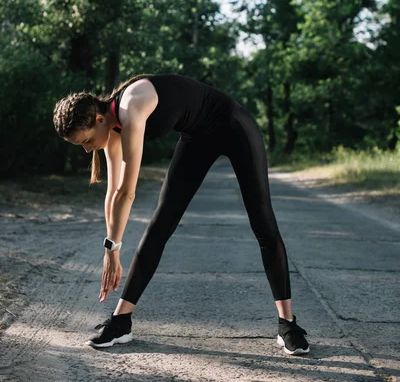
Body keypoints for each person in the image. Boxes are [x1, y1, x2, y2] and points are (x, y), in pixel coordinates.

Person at [53, 72, 309, 355]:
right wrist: (110, 247)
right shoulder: (111, 130)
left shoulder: (130, 109)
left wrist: (114, 249)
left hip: (234, 126)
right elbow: (112, 194)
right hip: (197, 138)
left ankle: (288, 324)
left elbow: (128, 193)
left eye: (85, 141)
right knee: (161, 223)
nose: (88, 149)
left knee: (263, 222)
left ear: (98, 119)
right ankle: (121, 321)